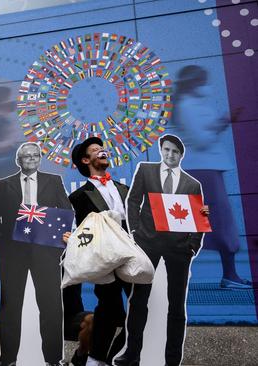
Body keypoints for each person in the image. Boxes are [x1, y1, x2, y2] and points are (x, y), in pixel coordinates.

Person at [115, 134, 209, 366]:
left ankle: (172, 359)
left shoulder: (192, 184)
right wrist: (135, 231)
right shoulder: (145, 170)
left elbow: (199, 217)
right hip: (147, 242)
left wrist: (193, 245)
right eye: (166, 150)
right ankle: (132, 353)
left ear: (181, 155)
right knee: (138, 300)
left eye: (174, 152)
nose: (170, 154)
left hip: (179, 248)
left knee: (176, 304)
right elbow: (133, 200)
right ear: (161, 149)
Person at [0, 142, 72, 366]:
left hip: (46, 251)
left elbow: (66, 212)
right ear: (19, 160)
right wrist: (1, 247)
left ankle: (54, 359)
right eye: (27, 156)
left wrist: (58, 248)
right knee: (9, 307)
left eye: (36, 155)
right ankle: (7, 359)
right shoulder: (3, 185)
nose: (32, 159)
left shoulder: (54, 181)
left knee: (51, 305)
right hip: (12, 252)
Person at [172, 65, 250, 289]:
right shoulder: (187, 105)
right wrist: (224, 121)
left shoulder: (191, 103)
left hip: (206, 169)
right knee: (220, 222)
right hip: (203, 171)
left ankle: (229, 275)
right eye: (202, 81)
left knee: (208, 224)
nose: (206, 86)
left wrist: (222, 122)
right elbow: (201, 140)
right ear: (194, 82)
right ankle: (230, 276)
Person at [68, 137, 132, 366]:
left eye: (102, 148)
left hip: (132, 255)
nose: (101, 150)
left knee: (141, 310)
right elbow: (78, 229)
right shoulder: (78, 197)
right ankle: (94, 359)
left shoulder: (126, 190)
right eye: (95, 150)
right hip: (104, 258)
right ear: (86, 160)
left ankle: (113, 358)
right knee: (109, 309)